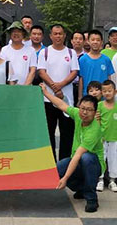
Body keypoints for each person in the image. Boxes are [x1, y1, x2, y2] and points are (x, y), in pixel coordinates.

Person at [41, 85, 104, 213]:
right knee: (60, 167)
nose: (85, 112)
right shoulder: (78, 115)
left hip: (93, 164)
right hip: (78, 161)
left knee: (86, 157)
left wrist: (65, 179)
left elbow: (78, 155)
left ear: (95, 112)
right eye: (83, 108)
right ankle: (82, 188)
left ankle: (91, 198)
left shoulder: (94, 129)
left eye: (89, 110)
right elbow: (61, 105)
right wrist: (45, 92)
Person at [37, 24, 79, 160]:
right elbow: (41, 72)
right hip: (48, 99)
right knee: (48, 132)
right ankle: (50, 162)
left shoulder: (71, 53)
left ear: (64, 35)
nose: (58, 36)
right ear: (50, 36)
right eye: (55, 34)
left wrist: (60, 85)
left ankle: (64, 163)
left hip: (66, 100)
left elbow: (74, 72)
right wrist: (54, 86)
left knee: (67, 133)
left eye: (60, 33)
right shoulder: (44, 52)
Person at [96, 79, 117, 192]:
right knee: (101, 159)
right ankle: (100, 179)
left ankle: (112, 180)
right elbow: (97, 120)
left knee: (114, 159)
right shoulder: (99, 105)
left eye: (109, 91)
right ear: (101, 93)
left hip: (114, 138)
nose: (107, 93)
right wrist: (99, 135)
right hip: (102, 139)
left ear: (115, 92)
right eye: (104, 91)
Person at [78, 30, 115, 98]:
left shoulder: (106, 59)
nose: (95, 42)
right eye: (93, 40)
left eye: (98, 40)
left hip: (103, 97)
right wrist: (80, 97)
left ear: (101, 42)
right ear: (88, 41)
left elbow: (109, 78)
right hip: (88, 97)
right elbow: (81, 79)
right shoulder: (83, 59)